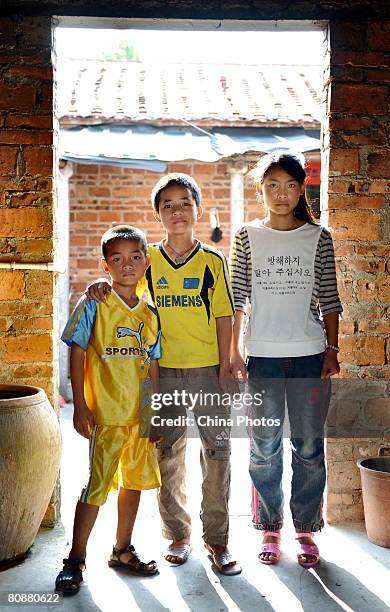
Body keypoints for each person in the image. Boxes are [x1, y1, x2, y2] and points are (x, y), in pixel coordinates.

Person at [86, 173, 241, 576]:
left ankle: (218, 539)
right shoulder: (147, 260)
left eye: (184, 203)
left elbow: (225, 315)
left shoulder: (212, 261)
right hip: (163, 370)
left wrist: (227, 363)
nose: (177, 211)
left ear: (198, 211)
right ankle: (178, 534)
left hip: (208, 369)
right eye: (167, 205)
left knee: (218, 452)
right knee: (167, 454)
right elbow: (125, 283)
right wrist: (99, 285)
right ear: (157, 214)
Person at [230, 151, 342, 567]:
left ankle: (307, 529)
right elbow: (237, 297)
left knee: (309, 446)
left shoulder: (318, 237)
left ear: (301, 189)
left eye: (290, 185)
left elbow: (330, 298)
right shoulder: (246, 236)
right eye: (272, 185)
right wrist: (234, 352)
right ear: (260, 189)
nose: (281, 194)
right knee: (264, 448)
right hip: (262, 359)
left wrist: (332, 350)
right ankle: (270, 528)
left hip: (310, 356)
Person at [55, 225, 161, 594]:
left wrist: (156, 411)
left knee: (133, 484)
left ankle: (122, 549)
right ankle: (75, 558)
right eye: (117, 258)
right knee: (97, 486)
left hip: (139, 416)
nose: (127, 265)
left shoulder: (149, 313)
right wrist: (81, 405)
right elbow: (78, 350)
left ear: (146, 262)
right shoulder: (95, 303)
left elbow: (152, 366)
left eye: (135, 257)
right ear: (106, 265)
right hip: (107, 415)